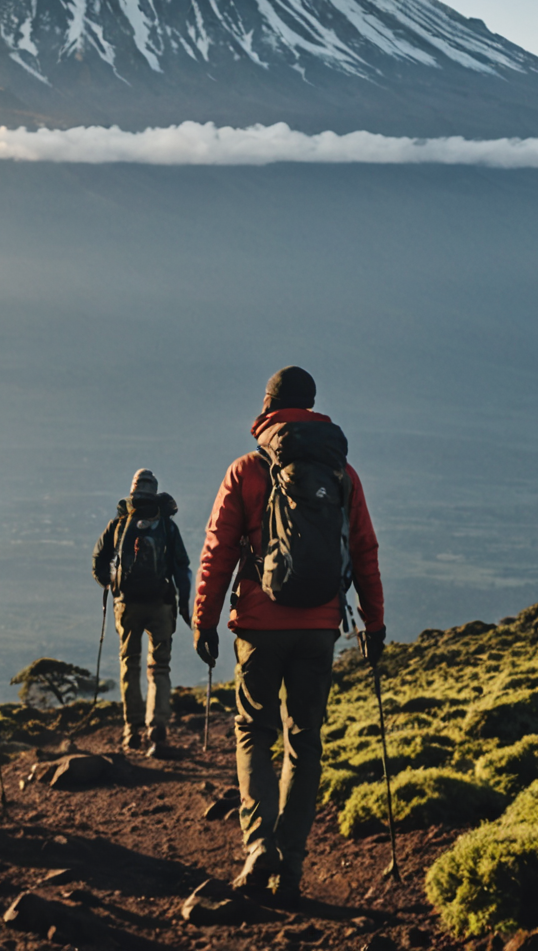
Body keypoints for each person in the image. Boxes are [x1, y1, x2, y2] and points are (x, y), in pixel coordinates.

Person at [193, 366, 383, 903]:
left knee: (254, 730)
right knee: (305, 742)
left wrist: (204, 620)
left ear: (269, 407)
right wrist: (374, 622)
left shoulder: (247, 470)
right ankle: (292, 864)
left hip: (259, 624)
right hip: (320, 626)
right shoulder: (342, 475)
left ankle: (258, 847)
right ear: (313, 407)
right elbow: (364, 551)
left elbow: (218, 551)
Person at [90, 469, 191, 757]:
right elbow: (181, 567)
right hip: (161, 604)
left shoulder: (120, 524)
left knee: (129, 664)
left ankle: (132, 729)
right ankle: (157, 726)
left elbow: (98, 559)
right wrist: (184, 603)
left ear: (133, 492)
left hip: (127, 604)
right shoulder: (167, 527)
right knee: (159, 667)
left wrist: (111, 583)